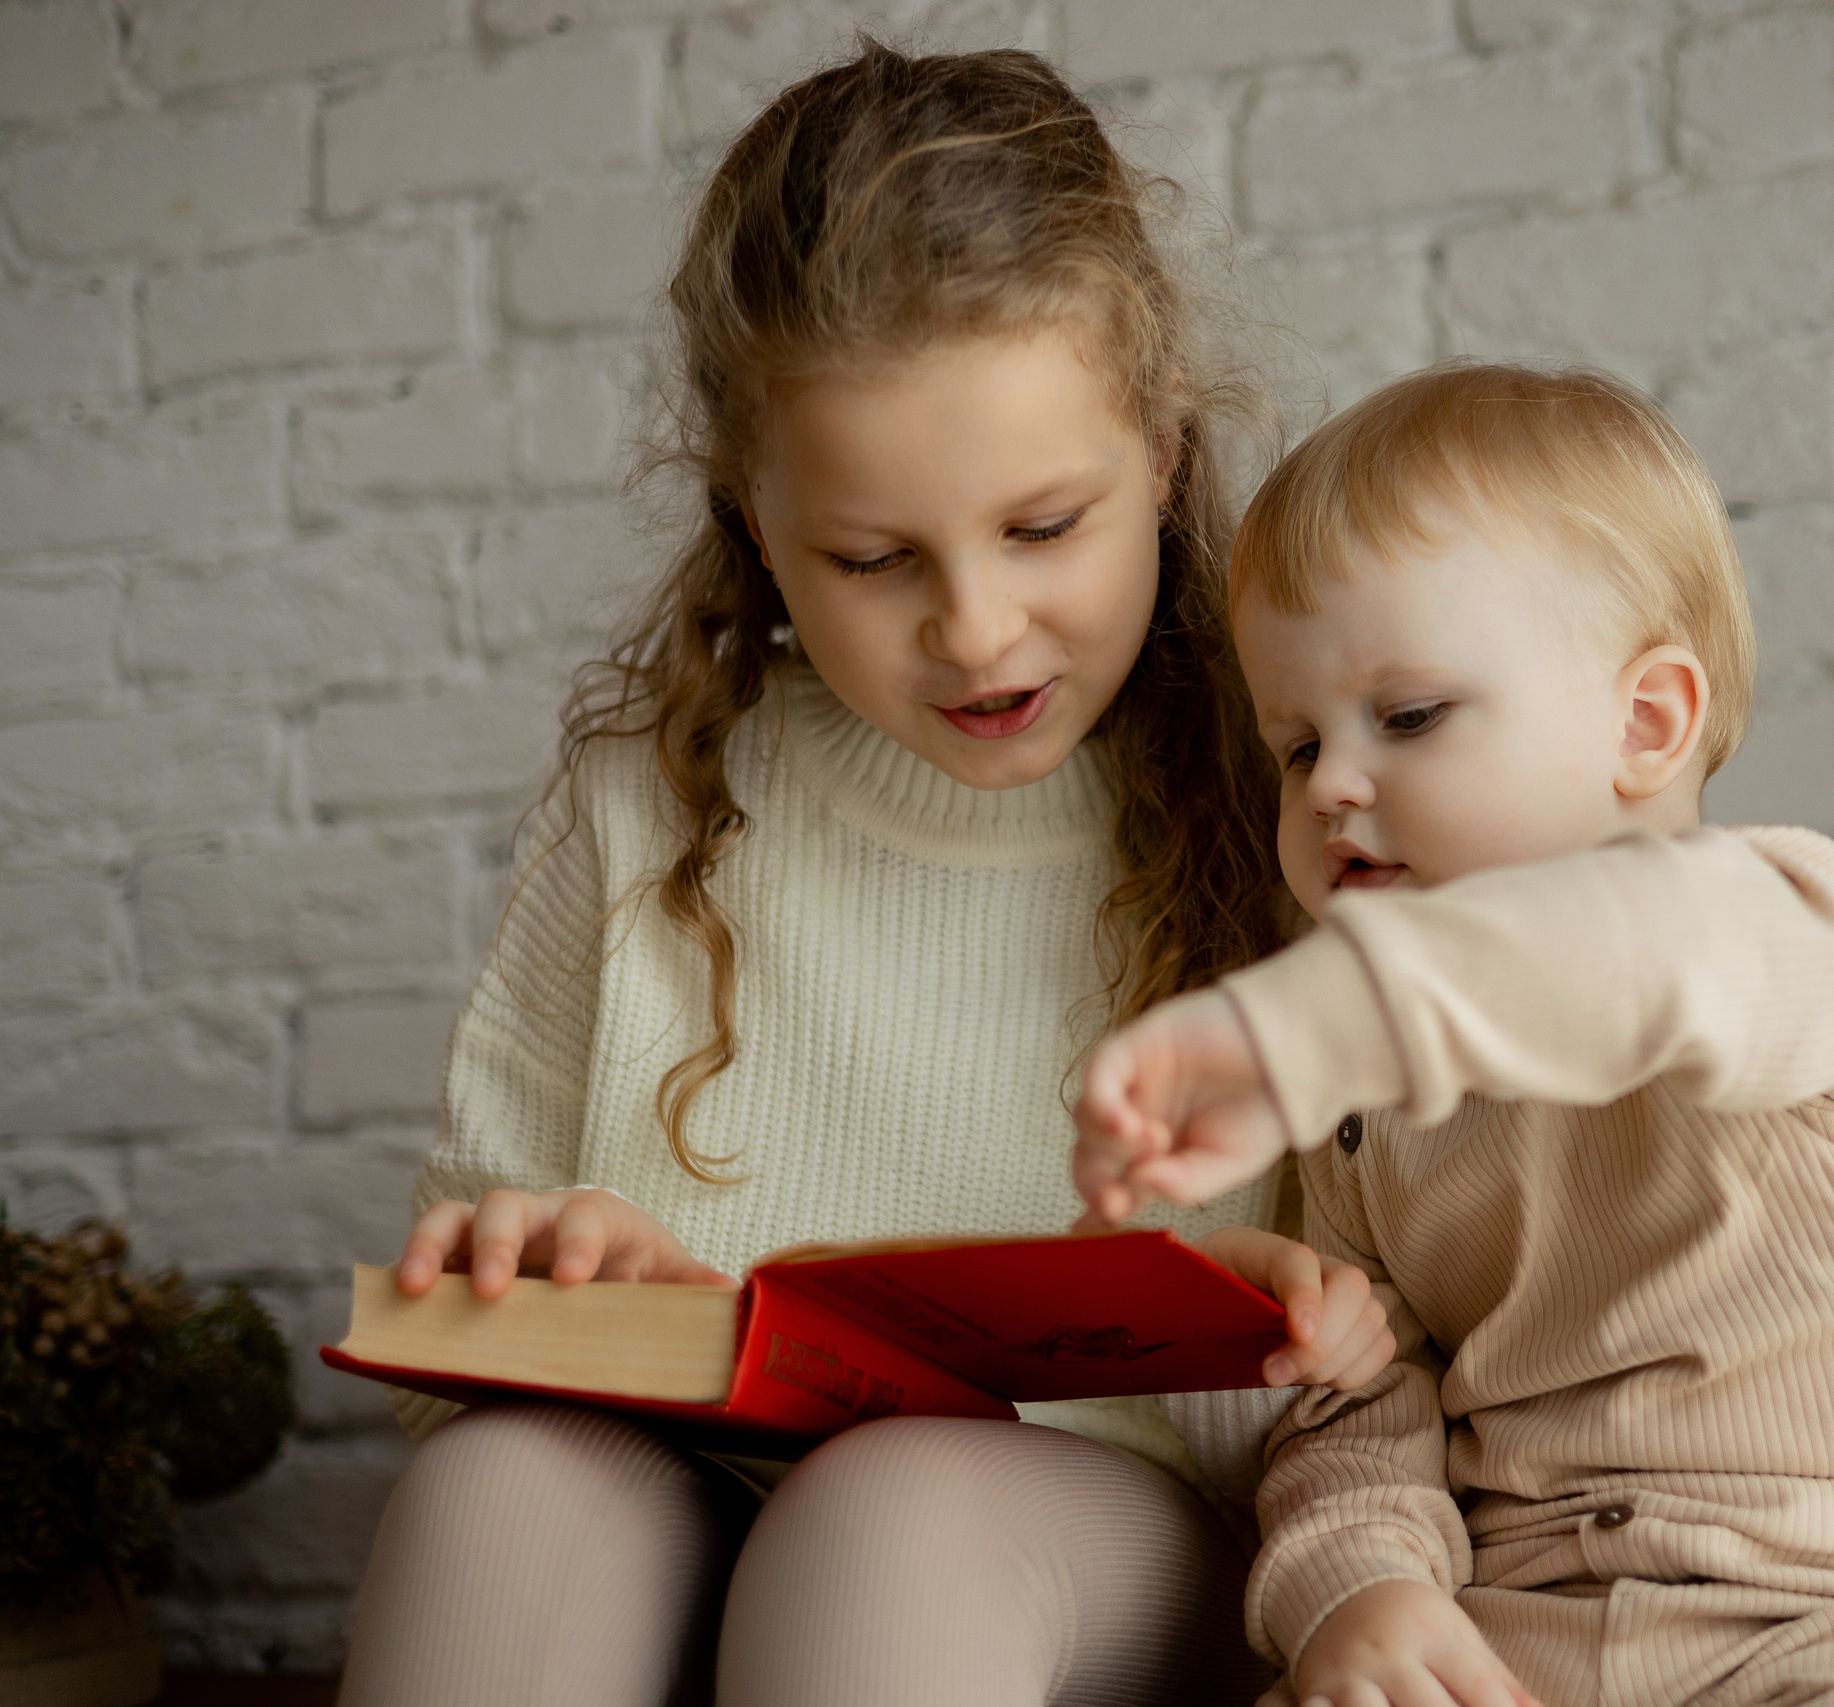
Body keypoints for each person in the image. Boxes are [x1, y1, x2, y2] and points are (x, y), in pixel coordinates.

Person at [337, 42, 1395, 1707]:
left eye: (1046, 526)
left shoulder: (1300, 797)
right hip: (694, 1512)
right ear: (758, 527)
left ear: (1168, 455)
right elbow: (439, 1365)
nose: (975, 630)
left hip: (1104, 1556)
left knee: (889, 1519)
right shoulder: (645, 810)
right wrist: (545, 1275)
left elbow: (1423, 1368)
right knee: (500, 1489)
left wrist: (1261, 1329)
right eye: (873, 558)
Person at [1072, 363, 1834, 1707]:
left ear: (1647, 725)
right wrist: (1359, 1594)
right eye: (1296, 748)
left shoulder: (1804, 929)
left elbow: (1637, 951)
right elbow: (1357, 1411)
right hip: (1514, 1635)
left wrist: (1310, 1028)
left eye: (1409, 716)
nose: (1337, 786)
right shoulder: (1371, 1112)